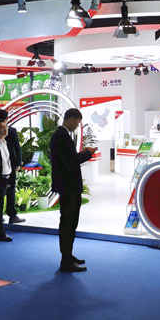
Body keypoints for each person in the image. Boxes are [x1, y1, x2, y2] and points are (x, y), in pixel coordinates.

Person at [50, 108, 97, 273]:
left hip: (66, 185)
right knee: (69, 223)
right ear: (71, 119)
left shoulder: (59, 135)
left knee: (68, 222)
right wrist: (88, 153)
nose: (77, 126)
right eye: (77, 122)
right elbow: (72, 161)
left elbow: (69, 159)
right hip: (68, 186)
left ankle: (68, 256)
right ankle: (66, 259)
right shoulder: (62, 136)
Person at [0, 110, 25, 225]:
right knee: (10, 190)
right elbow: (17, 147)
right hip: (8, 164)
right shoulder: (11, 130)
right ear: (7, 118)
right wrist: (18, 163)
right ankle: (11, 215)